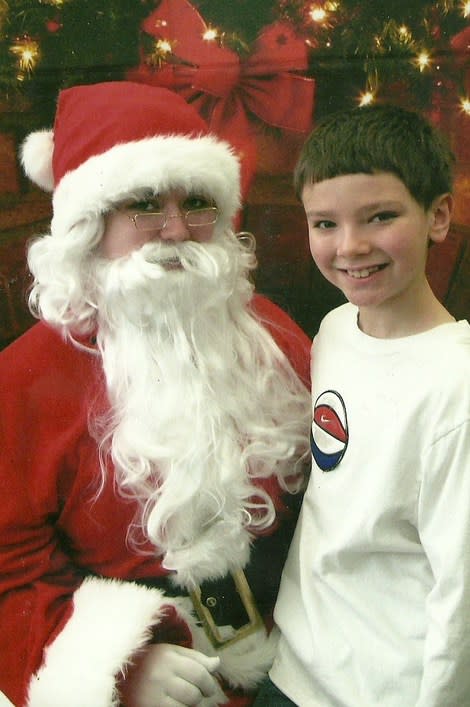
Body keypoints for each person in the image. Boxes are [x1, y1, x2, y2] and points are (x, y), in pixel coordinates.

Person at [0, 81, 312, 707]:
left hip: (302, 649)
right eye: (144, 204)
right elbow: (8, 571)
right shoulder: (25, 377)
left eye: (197, 202)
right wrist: (119, 665)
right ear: (89, 225)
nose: (175, 230)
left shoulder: (274, 335)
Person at [254, 104, 470, 706]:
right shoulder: (335, 330)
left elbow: (463, 593)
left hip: (385, 690)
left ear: (438, 216)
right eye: (324, 223)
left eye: (379, 216)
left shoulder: (457, 388)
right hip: (292, 666)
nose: (350, 246)